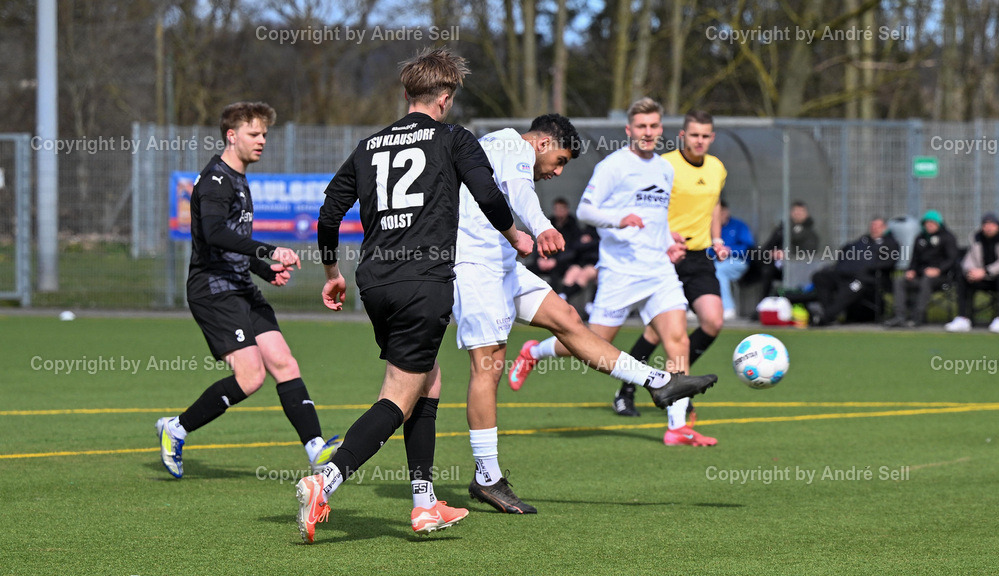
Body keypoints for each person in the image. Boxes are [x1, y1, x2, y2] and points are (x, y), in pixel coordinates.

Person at [296, 48, 531, 543]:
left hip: (375, 281)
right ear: (444, 98)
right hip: (424, 282)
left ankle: (424, 504)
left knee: (429, 379)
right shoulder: (453, 138)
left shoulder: (367, 146)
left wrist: (332, 271)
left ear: (407, 95)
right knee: (398, 395)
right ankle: (326, 481)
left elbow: (328, 214)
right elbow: (488, 196)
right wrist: (518, 237)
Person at [455, 114, 716, 514]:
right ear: (542, 143)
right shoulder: (512, 144)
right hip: (475, 268)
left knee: (570, 321)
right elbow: (523, 193)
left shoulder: (502, 149)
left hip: (504, 265)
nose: (557, 171)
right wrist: (542, 227)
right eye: (559, 161)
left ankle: (658, 381)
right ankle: (487, 476)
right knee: (487, 367)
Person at [508, 98, 717, 446]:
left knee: (678, 338)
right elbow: (586, 211)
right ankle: (535, 351)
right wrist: (619, 219)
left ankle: (676, 426)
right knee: (594, 341)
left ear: (660, 129)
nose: (648, 133)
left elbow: (658, 218)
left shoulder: (666, 169)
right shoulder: (613, 165)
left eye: (653, 126)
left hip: (659, 270)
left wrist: (669, 241)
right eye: (641, 127)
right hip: (621, 272)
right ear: (629, 130)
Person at [155, 102, 340, 480]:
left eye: (265, 135)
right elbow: (214, 234)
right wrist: (269, 251)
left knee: (285, 362)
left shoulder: (239, 179)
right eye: (253, 134)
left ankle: (316, 449)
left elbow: (231, 240)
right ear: (231, 135)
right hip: (213, 290)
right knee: (251, 376)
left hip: (240, 284)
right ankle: (176, 428)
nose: (261, 141)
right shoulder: (215, 181)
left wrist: (263, 270)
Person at [612, 110, 729, 448]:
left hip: (699, 257)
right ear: (682, 136)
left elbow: (713, 206)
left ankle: (678, 382)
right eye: (694, 135)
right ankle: (627, 389)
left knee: (713, 321)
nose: (700, 141)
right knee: (655, 331)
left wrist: (717, 239)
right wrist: (665, 237)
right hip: (665, 254)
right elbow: (647, 206)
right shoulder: (664, 165)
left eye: (705, 135)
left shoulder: (717, 168)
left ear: (712, 137)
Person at [808, 217, 900, 326]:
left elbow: (888, 263)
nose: (874, 229)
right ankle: (830, 314)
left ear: (885, 228)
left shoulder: (890, 244)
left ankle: (826, 316)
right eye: (872, 226)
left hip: (868, 279)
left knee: (852, 287)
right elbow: (846, 250)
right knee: (820, 277)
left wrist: (867, 267)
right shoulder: (863, 240)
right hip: (844, 274)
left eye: (878, 226)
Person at [945, 212, 999, 333]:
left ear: (998, 226)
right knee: (963, 277)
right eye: (985, 224)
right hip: (983, 278)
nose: (989, 227)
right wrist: (972, 271)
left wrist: (986, 271)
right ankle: (963, 318)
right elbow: (968, 260)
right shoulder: (977, 239)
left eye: (992, 224)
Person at [884, 210, 959, 328]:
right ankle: (900, 316)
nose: (929, 225)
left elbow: (951, 259)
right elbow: (914, 259)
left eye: (932, 223)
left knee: (926, 279)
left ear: (939, 224)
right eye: (927, 223)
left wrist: (938, 270)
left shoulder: (948, 238)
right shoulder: (919, 238)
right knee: (900, 280)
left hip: (941, 278)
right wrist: (911, 270)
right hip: (920, 275)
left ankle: (917, 317)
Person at [757, 201, 820, 300]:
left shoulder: (810, 234)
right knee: (767, 270)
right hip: (779, 267)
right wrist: (772, 253)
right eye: (795, 211)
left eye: (801, 211)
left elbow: (809, 252)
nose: (798, 214)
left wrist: (788, 255)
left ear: (806, 214)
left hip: (799, 268)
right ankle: (765, 304)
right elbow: (767, 247)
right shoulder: (782, 230)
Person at [715, 201, 754, 320]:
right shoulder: (712, 227)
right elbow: (707, 248)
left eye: (721, 212)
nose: (719, 215)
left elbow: (748, 247)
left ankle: (728, 308)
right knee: (703, 270)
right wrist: (717, 251)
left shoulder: (739, 225)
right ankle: (696, 309)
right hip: (716, 261)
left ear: (727, 211)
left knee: (719, 270)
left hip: (738, 262)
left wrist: (729, 250)